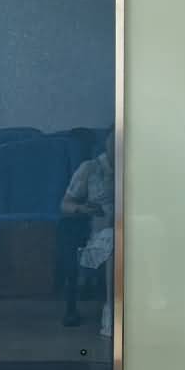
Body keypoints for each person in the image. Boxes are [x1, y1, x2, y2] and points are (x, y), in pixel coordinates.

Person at [61, 130, 116, 337]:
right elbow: (65, 204)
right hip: (97, 240)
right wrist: (83, 209)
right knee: (114, 238)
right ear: (107, 143)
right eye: (114, 141)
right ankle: (111, 309)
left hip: (134, 233)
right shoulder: (90, 169)